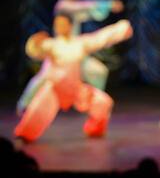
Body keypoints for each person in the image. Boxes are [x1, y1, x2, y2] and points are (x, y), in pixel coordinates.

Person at [14, 14, 133, 142]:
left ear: (70, 26)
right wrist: (35, 43)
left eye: (63, 24)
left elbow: (100, 38)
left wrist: (121, 29)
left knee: (102, 102)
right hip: (55, 88)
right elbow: (36, 51)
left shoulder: (79, 43)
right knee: (38, 110)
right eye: (58, 25)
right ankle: (24, 134)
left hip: (75, 88)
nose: (60, 27)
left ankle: (94, 129)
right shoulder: (51, 44)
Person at [16, 0, 124, 116]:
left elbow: (88, 12)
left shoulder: (74, 7)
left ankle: (95, 105)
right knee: (43, 77)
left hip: (75, 51)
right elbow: (83, 7)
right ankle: (24, 105)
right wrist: (108, 4)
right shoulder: (63, 5)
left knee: (98, 72)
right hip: (59, 53)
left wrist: (106, 8)